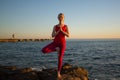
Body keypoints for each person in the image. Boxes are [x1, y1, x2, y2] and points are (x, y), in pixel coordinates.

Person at [41, 13, 69, 78]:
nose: (60, 18)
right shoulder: (55, 26)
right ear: (57, 18)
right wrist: (58, 31)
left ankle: (58, 73)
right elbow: (53, 35)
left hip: (62, 44)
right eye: (59, 17)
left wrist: (62, 31)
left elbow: (68, 35)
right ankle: (56, 49)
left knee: (60, 58)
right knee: (44, 50)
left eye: (62, 17)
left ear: (64, 18)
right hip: (55, 43)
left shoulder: (66, 26)